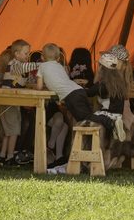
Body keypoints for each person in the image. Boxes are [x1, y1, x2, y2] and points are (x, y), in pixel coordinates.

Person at [34, 43, 96, 173]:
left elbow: (39, 88)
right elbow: (64, 81)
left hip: (71, 97)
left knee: (87, 125)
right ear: (58, 58)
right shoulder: (60, 66)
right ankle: (87, 156)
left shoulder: (42, 67)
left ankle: (91, 156)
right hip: (78, 91)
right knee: (86, 123)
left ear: (42, 57)